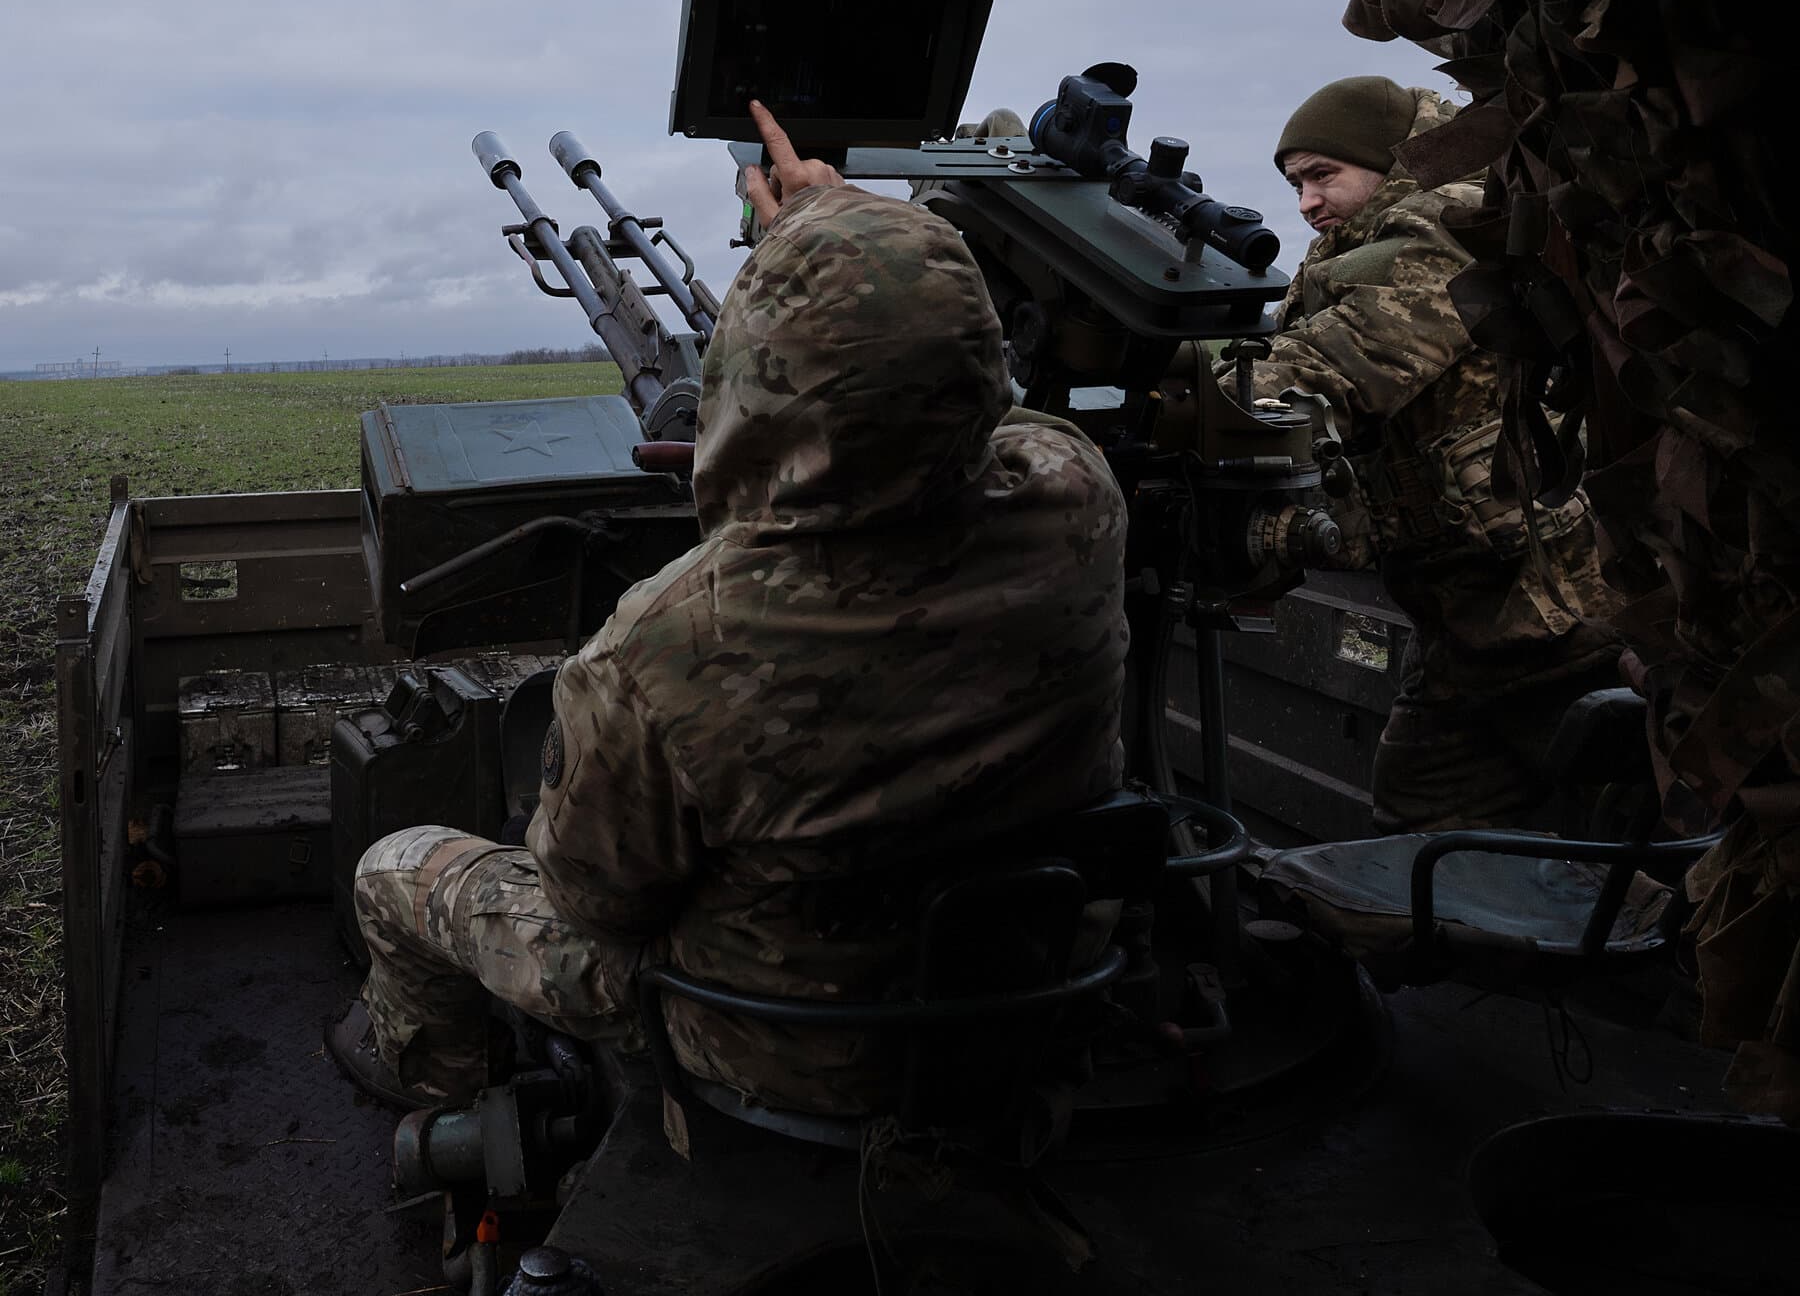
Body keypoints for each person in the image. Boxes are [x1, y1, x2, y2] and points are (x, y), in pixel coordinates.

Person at [330, 101, 1129, 1117]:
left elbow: (593, 901)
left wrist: (784, 281)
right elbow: (965, 403)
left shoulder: (668, 640)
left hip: (779, 1046)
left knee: (399, 869)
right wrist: (844, 225)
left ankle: (444, 1088)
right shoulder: (1078, 502)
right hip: (1032, 989)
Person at [1248, 75, 1620, 833]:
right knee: (1419, 829)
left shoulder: (1451, 225)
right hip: (1465, 630)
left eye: (1324, 176)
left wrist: (1211, 402)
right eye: (1295, 184)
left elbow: (1346, 360)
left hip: (1561, 623)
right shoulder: (1358, 257)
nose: (1306, 204)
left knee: (1638, 850)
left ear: (1390, 164)